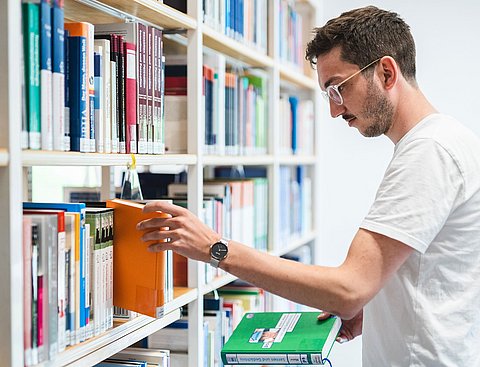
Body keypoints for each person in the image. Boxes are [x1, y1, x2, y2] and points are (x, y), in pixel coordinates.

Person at [136, 6, 480, 366]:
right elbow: (431, 269)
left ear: (386, 72)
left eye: (338, 89)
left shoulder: (429, 152)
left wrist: (214, 248)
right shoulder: (443, 141)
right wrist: (379, 309)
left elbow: (348, 289)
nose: (335, 110)